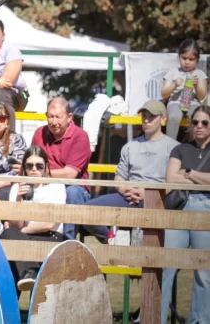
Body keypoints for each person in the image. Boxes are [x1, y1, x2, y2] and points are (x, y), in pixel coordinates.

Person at [78, 100, 179, 243]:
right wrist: (126, 189)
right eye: (144, 115)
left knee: (151, 251)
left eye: (151, 116)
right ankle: (112, 241)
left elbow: (174, 181)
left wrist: (149, 193)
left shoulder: (175, 147)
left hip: (158, 200)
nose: (146, 119)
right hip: (129, 196)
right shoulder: (130, 146)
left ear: (163, 119)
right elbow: (119, 177)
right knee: (85, 210)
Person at [161, 106, 210, 324]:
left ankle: (199, 320)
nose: (199, 126)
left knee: (204, 271)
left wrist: (188, 172)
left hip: (205, 208)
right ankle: (157, 318)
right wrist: (202, 178)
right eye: (195, 122)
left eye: (205, 123)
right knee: (166, 267)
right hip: (180, 207)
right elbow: (170, 178)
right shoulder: (180, 149)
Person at [0, 146, 66, 293]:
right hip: (24, 237)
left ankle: (30, 273)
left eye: (39, 166)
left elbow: (50, 224)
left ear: (46, 167)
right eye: (29, 166)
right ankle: (30, 273)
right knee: (7, 235)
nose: (34, 169)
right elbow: (16, 224)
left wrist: (21, 229)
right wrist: (18, 199)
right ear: (24, 168)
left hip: (50, 237)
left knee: (11, 238)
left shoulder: (56, 187)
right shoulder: (17, 187)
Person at [31, 97, 91, 239]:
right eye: (50, 116)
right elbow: (31, 161)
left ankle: (66, 241)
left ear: (70, 117)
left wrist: (42, 174)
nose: (53, 122)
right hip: (44, 185)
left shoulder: (80, 136)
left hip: (72, 187)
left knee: (73, 192)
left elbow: (70, 174)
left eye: (58, 117)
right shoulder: (39, 133)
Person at [161, 39, 208, 141]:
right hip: (175, 102)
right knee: (174, 116)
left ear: (197, 60)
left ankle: (197, 145)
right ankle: (170, 145)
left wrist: (196, 86)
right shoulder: (172, 72)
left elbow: (202, 96)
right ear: (179, 56)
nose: (187, 62)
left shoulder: (200, 74)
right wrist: (174, 85)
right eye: (184, 58)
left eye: (191, 59)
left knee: (196, 117)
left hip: (193, 103)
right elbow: (164, 94)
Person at [0, 18, 29, 131]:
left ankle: (9, 137)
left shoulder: (11, 50)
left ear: (3, 35)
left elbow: (7, 82)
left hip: (18, 94)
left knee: (0, 94)